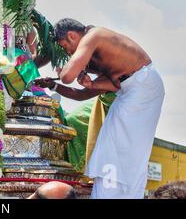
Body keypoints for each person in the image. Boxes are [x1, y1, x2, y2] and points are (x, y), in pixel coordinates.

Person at [39, 18, 165, 199]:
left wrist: (67, 71)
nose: (68, 52)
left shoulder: (94, 35)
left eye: (66, 47)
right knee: (112, 147)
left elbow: (67, 76)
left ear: (72, 35)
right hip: (132, 90)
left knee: (119, 151)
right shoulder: (109, 65)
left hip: (143, 87)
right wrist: (54, 86)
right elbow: (81, 94)